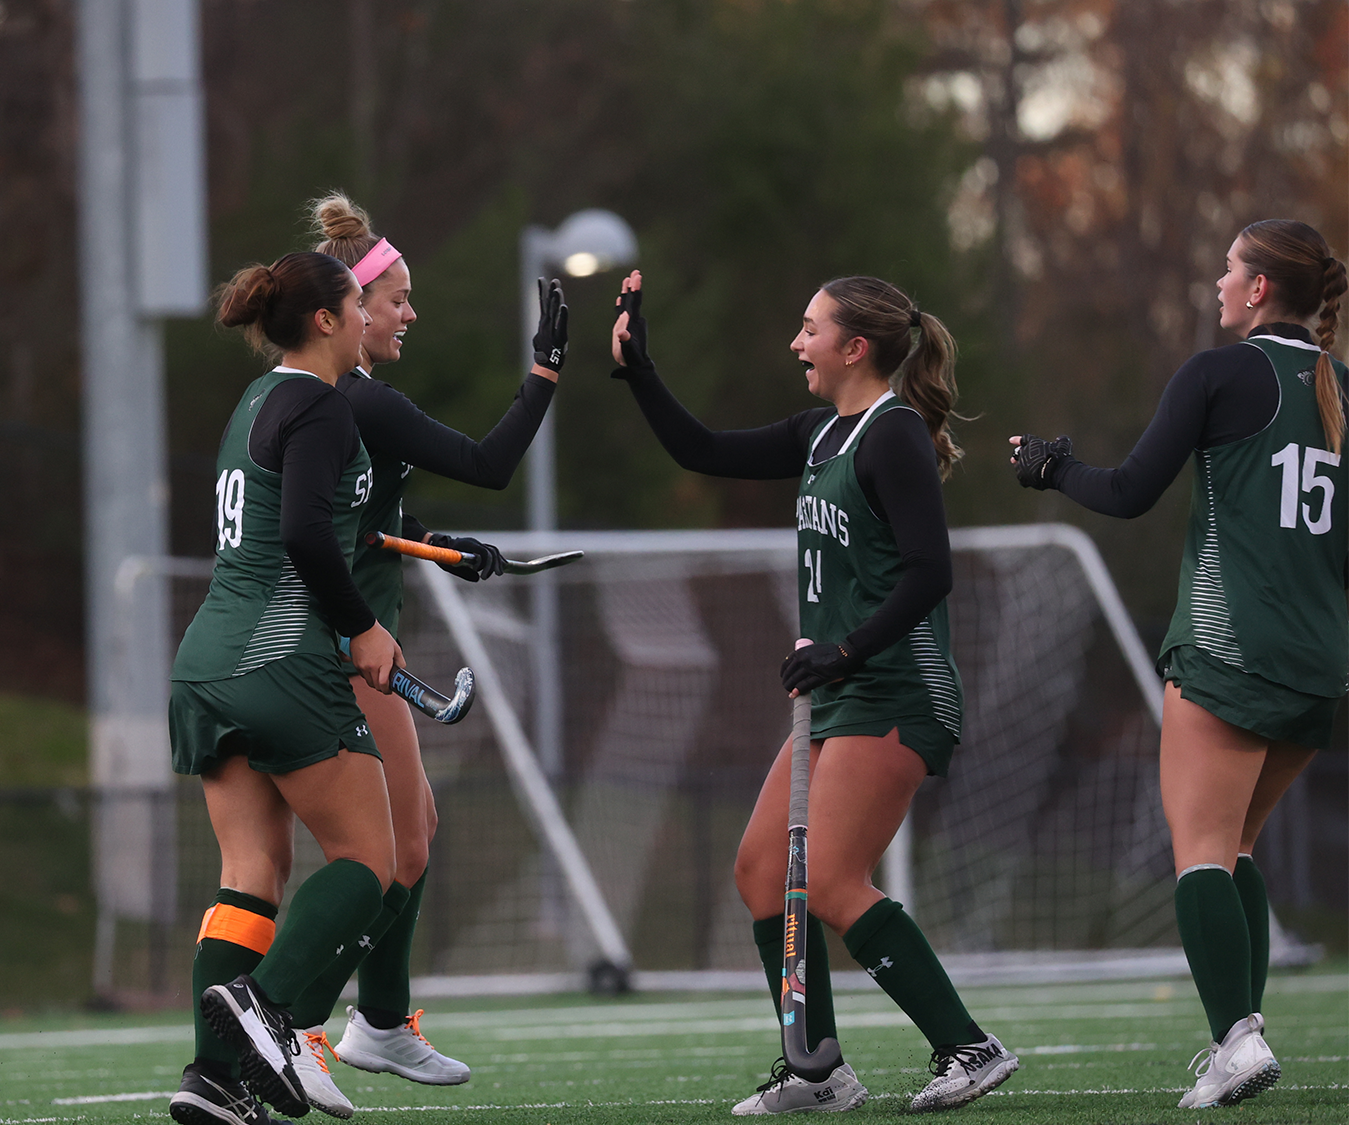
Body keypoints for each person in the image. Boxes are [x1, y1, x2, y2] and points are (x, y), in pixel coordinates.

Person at [611, 270, 1019, 1114]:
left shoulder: (892, 433)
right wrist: (641, 374)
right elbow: (704, 451)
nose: (797, 342)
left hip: (897, 686)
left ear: (854, 347)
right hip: (841, 692)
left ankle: (968, 1047)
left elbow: (930, 571)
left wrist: (845, 648)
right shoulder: (820, 432)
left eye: (810, 329)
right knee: (764, 871)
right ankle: (816, 1069)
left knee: (829, 878)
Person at [1009, 219, 1347, 1110]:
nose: (1219, 280)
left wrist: (1055, 468)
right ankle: (1247, 1033)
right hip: (1321, 666)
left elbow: (1125, 494)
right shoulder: (1342, 385)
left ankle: (1236, 1041)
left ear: (1262, 288)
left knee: (1200, 852)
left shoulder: (1218, 372)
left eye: (1230, 267)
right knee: (1233, 846)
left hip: (1230, 648)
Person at [266, 194, 563, 1111]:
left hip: (337, 642)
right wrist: (545, 374)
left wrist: (437, 542)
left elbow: (362, 511)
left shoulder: (338, 400)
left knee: (412, 836)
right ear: (348, 308)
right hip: (331, 648)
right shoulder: (358, 400)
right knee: (388, 851)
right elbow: (489, 462)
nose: (406, 313)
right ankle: (296, 1028)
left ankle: (379, 1021)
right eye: (394, 299)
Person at [169, 251, 404, 1125]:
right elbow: (306, 532)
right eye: (360, 306)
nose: (373, 320)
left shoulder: (258, 398)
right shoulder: (320, 405)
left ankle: (213, 1078)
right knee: (370, 863)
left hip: (206, 660)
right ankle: (264, 1008)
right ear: (327, 321)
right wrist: (364, 625)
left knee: (251, 874)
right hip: (279, 657)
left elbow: (294, 516)